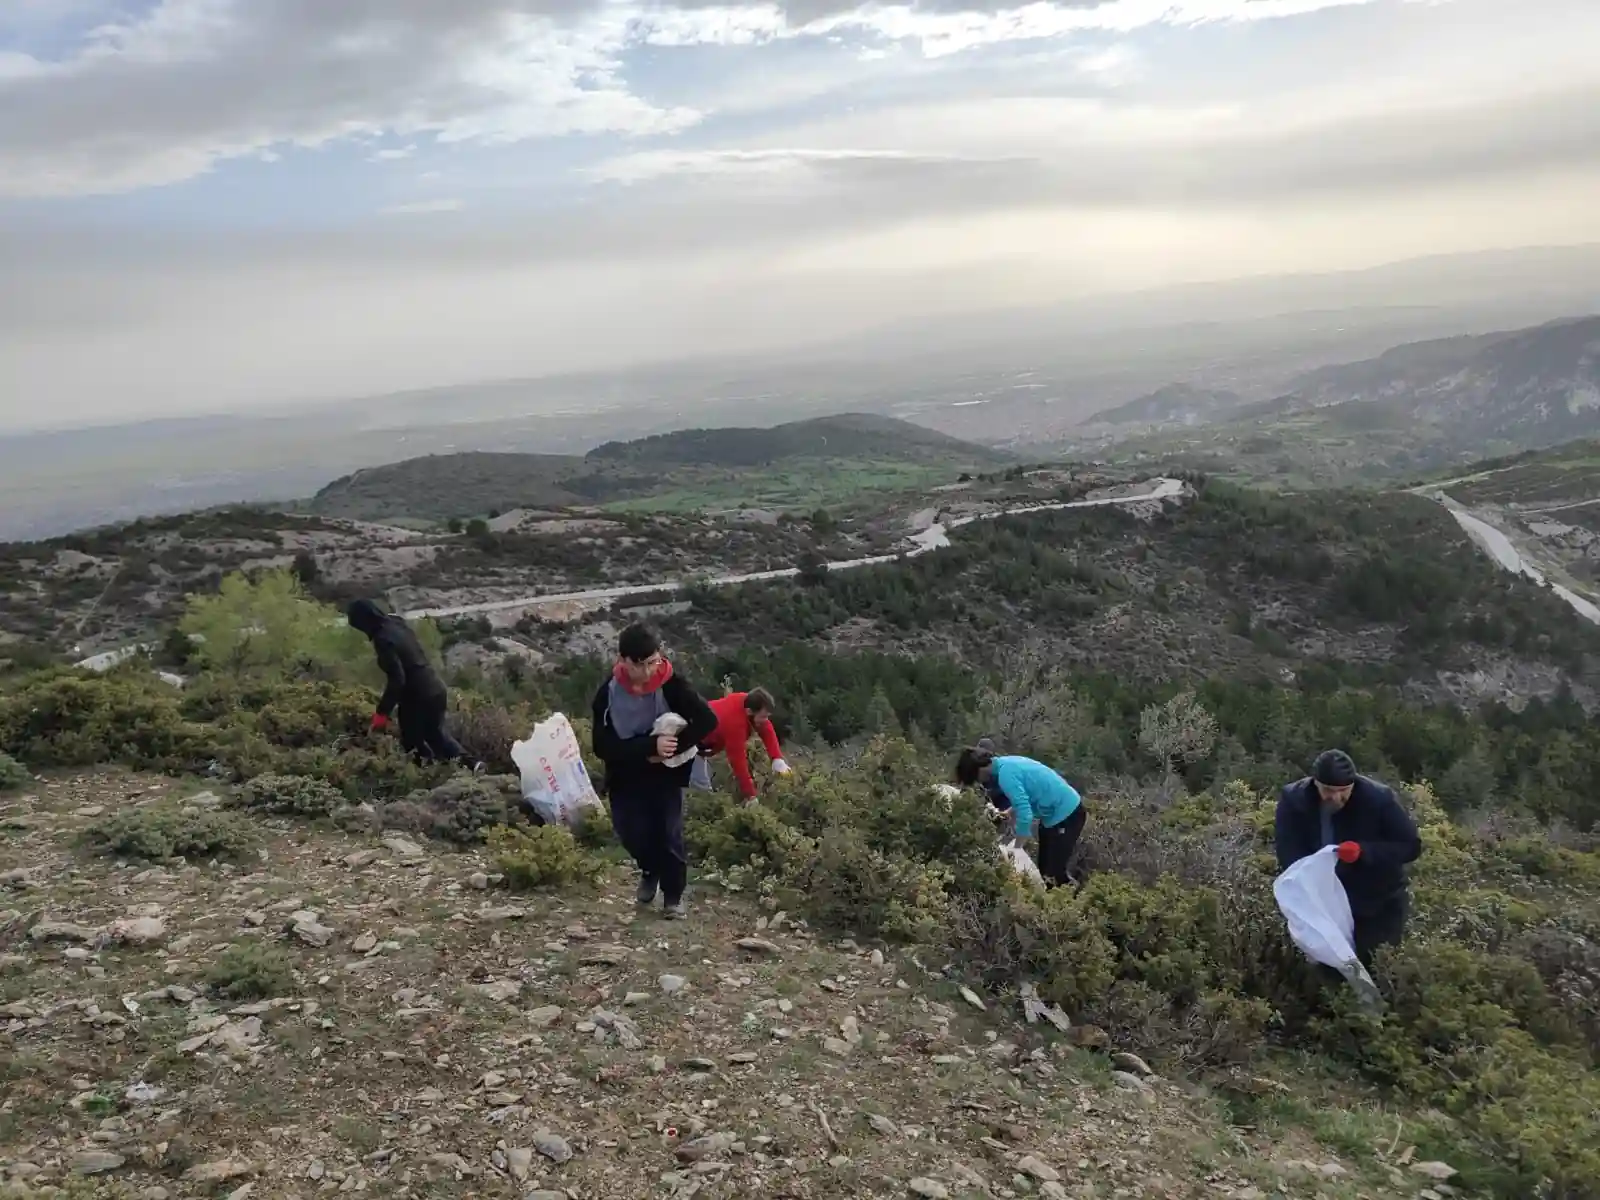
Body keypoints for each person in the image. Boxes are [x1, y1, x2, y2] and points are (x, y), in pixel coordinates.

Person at [591, 624, 717, 919]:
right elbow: (601, 745)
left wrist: (672, 747)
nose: (649, 671)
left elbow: (706, 720)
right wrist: (650, 746)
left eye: (654, 662)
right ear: (624, 660)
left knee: (668, 832)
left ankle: (673, 897)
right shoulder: (607, 693)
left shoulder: (671, 684)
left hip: (665, 775)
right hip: (625, 771)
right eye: (642, 665)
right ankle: (649, 869)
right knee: (630, 831)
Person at [1275, 749, 1422, 968]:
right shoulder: (1295, 801)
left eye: (1343, 790)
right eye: (1327, 790)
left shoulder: (1378, 799)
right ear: (1315, 783)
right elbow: (1288, 851)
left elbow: (1410, 846)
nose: (1335, 797)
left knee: (1376, 967)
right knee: (1329, 970)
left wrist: (1364, 852)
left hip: (1377, 902)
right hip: (1324, 904)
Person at [347, 599, 478, 769]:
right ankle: (473, 765)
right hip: (435, 686)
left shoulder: (382, 639)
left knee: (412, 744)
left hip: (417, 696)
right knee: (436, 735)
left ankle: (425, 775)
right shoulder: (396, 623)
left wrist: (381, 714)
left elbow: (397, 680)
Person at [955, 746, 1086, 887]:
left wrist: (1017, 848)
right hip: (1052, 817)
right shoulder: (1005, 764)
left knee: (1054, 875)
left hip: (1068, 814)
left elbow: (1025, 814)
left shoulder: (1006, 775)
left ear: (980, 769)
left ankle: (1077, 900)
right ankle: (1057, 902)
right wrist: (1009, 812)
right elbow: (1028, 793)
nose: (979, 782)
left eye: (975, 778)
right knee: (1045, 872)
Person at [700, 688, 791, 803]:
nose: (766, 720)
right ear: (749, 712)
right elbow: (738, 763)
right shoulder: (735, 724)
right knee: (701, 790)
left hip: (704, 745)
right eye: (763, 716)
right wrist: (750, 796)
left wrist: (777, 758)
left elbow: (766, 728)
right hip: (690, 743)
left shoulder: (748, 702)